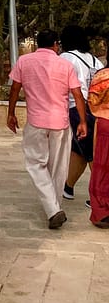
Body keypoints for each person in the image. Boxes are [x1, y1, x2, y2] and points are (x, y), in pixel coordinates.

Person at [7, 29, 88, 229]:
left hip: (36, 121)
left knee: (36, 164)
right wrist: (83, 121)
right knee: (59, 166)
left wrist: (11, 113)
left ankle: (53, 210)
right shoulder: (65, 64)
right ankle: (55, 207)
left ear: (37, 44)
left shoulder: (24, 62)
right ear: (55, 45)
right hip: (60, 122)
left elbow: (15, 88)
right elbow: (77, 94)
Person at [59, 24, 103, 202]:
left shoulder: (66, 58)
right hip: (96, 109)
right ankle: (68, 187)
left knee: (90, 153)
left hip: (77, 110)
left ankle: (99, 196)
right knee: (80, 151)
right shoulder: (95, 60)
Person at [87, 64, 109, 227]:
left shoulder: (102, 76)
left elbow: (92, 101)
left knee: (102, 167)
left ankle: (102, 210)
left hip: (105, 123)